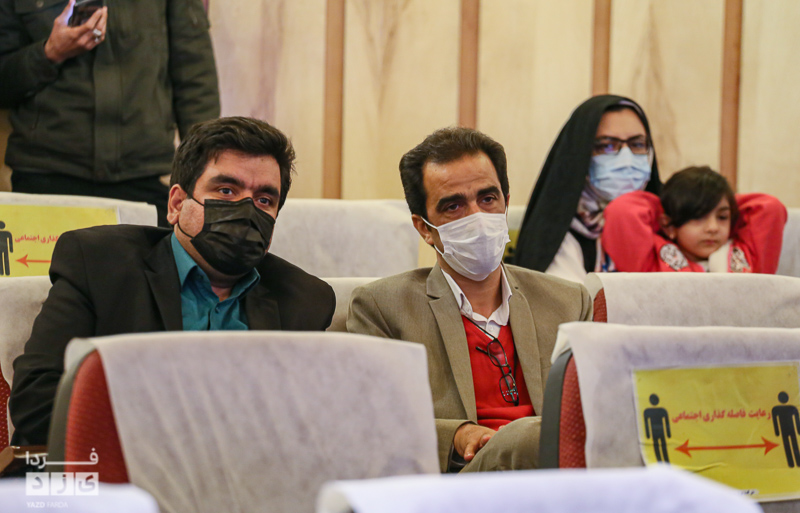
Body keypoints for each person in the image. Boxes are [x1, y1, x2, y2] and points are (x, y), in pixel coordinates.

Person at [10, 117, 336, 446]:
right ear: (177, 204)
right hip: (118, 468)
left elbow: (315, 424)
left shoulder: (304, 300)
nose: (246, 211)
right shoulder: (99, 264)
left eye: (264, 200)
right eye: (226, 191)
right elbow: (38, 404)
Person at [347, 127, 591, 473]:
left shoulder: (568, 301)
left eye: (488, 199)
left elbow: (596, 407)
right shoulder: (381, 307)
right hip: (461, 479)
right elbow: (373, 421)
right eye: (454, 206)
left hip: (558, 474)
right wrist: (458, 435)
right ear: (424, 228)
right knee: (531, 438)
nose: (477, 216)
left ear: (506, 202)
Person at [0, 0, 220, 226]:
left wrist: (204, 176)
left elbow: (195, 80)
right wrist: (50, 52)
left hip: (142, 175)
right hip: (45, 175)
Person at [512, 95, 662, 283]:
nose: (626, 159)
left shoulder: (670, 221)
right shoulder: (557, 236)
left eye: (637, 144)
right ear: (581, 155)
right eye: (607, 146)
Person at [603, 166, 787, 273]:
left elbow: (770, 208)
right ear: (667, 225)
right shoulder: (651, 261)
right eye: (698, 217)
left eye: (722, 217)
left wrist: (723, 199)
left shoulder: (747, 255)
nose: (713, 228)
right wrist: (670, 208)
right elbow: (622, 211)